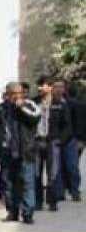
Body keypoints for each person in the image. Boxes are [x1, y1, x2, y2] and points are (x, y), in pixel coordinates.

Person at [0, 82, 41, 224]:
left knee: (27, 183)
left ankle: (27, 213)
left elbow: (35, 118)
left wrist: (21, 107)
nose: (16, 96)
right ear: (7, 94)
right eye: (13, 94)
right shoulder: (0, 109)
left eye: (19, 93)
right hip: (7, 151)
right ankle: (12, 211)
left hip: (25, 151)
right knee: (8, 183)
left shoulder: (30, 105)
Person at [34, 76, 74, 211]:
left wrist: (60, 140)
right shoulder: (34, 102)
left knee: (53, 173)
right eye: (39, 85)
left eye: (43, 85)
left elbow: (67, 125)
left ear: (50, 87)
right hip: (37, 141)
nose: (40, 88)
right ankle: (38, 201)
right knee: (37, 173)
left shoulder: (60, 104)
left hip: (52, 142)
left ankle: (52, 201)